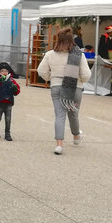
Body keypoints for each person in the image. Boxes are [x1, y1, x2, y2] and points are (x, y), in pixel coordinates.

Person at [37, 27, 91, 155]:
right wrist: (80, 81)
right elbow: (86, 74)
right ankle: (76, 136)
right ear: (72, 40)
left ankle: (59, 145)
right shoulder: (79, 55)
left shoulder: (50, 54)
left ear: (58, 39)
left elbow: (41, 71)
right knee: (73, 114)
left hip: (56, 87)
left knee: (59, 116)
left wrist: (51, 78)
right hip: (75, 88)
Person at [0, 62, 20, 141]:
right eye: (2, 71)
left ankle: (7, 134)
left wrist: (15, 89)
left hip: (8, 102)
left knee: (8, 119)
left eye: (6, 71)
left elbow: (17, 91)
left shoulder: (11, 80)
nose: (4, 72)